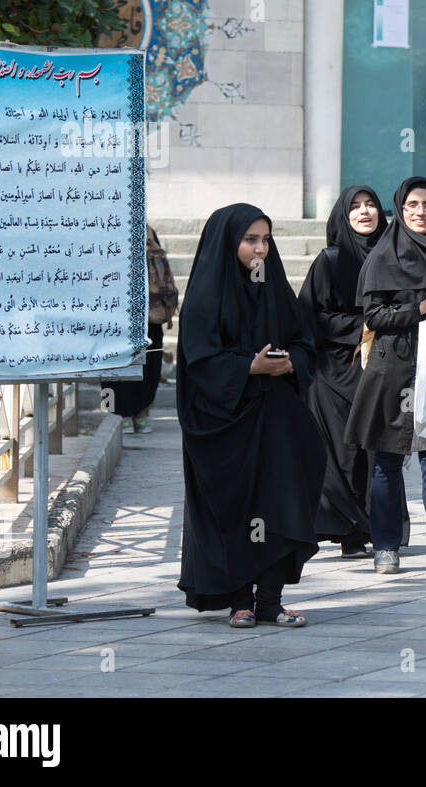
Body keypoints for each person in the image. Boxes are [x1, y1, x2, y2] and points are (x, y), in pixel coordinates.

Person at [176, 204, 325, 628]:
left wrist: (289, 361)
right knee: (233, 509)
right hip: (222, 424)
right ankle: (240, 599)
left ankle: (270, 601)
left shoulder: (274, 287)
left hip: (274, 415)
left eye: (265, 239)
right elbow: (199, 359)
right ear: (229, 242)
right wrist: (248, 367)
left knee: (281, 501)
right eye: (250, 240)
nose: (260, 249)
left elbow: (303, 339)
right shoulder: (207, 293)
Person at [344, 177, 426, 581]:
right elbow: (374, 317)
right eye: (414, 205)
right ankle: (386, 544)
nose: (422, 212)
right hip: (392, 369)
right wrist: (421, 305)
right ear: (401, 209)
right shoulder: (383, 255)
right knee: (386, 460)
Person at [298, 185, 405, 559]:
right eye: (356, 207)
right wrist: (363, 326)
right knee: (343, 456)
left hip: (381, 370)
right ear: (343, 215)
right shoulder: (329, 261)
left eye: (370, 205)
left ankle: (383, 532)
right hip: (332, 375)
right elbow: (311, 316)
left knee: (378, 453)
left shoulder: (395, 257)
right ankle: (349, 534)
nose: (364, 212)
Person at [105, 223, 175, 434]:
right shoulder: (106, 226)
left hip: (148, 312)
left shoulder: (147, 230)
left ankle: (142, 411)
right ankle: (120, 414)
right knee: (114, 362)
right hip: (114, 311)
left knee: (150, 362)